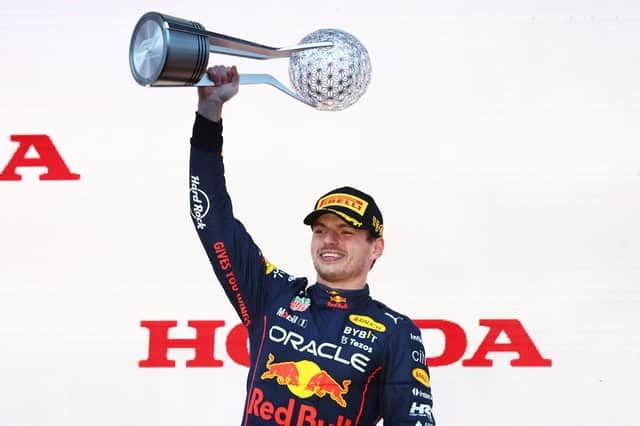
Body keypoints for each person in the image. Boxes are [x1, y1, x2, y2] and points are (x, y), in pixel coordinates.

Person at [189, 65, 435, 425]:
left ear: (376, 247)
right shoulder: (272, 296)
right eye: (321, 230)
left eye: (346, 232)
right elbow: (212, 221)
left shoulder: (396, 332)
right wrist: (208, 116)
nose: (329, 240)